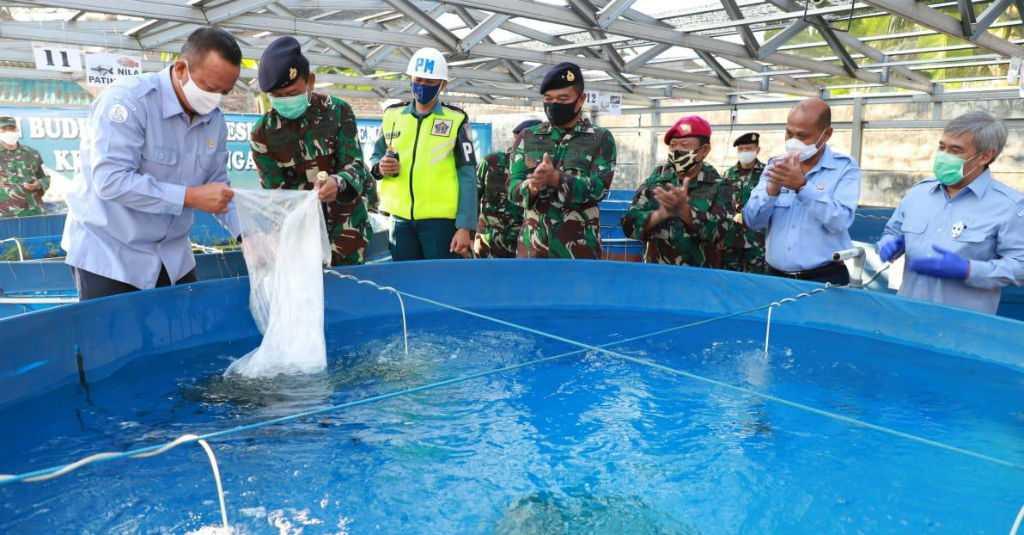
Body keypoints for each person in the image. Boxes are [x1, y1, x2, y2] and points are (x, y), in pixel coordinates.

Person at [62, 27, 241, 300]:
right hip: (111, 256)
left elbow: (218, 187)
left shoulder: (213, 120)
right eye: (209, 88)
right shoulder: (128, 102)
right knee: (118, 339)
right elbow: (110, 181)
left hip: (172, 258)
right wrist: (190, 196)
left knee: (183, 336)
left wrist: (246, 235)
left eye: (223, 92)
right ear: (181, 69)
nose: (215, 99)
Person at [877, 111, 1023, 314]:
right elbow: (893, 231)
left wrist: (968, 269)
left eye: (956, 150)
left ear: (985, 156)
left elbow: (1020, 267)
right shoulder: (918, 194)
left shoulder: (1009, 206)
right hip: (907, 316)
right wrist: (889, 242)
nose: (944, 156)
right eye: (942, 147)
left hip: (962, 328)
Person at [250, 36, 376, 266]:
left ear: (310, 82)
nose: (285, 101)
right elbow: (274, 196)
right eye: (277, 97)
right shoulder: (263, 134)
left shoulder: (338, 112)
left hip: (346, 235)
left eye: (292, 93)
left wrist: (338, 183)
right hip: (300, 241)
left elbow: (356, 166)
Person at [370, 47, 476, 260]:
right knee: (404, 283)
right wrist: (380, 167)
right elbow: (375, 157)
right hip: (399, 221)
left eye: (430, 82)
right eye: (418, 80)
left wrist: (465, 226)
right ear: (410, 79)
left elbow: (468, 176)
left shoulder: (456, 119)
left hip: (440, 223)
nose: (423, 86)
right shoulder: (392, 115)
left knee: (439, 284)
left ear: (442, 85)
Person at [742, 98, 860, 285]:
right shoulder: (775, 165)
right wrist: (771, 190)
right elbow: (753, 221)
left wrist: (802, 187)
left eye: (803, 136)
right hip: (775, 278)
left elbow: (840, 221)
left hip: (824, 278)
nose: (793, 142)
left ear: (826, 135)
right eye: (789, 134)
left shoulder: (844, 168)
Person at [508, 62, 617, 259]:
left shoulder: (600, 138)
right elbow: (512, 189)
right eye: (549, 99)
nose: (554, 104)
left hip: (578, 251)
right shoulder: (528, 136)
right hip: (533, 249)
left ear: (580, 99)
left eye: (563, 98)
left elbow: (599, 188)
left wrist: (558, 180)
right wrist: (532, 186)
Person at [622, 116, 734, 266]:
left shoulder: (719, 187)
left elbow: (724, 235)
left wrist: (686, 213)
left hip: (700, 278)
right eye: (673, 145)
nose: (676, 151)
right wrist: (659, 215)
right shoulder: (657, 180)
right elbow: (628, 225)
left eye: (684, 145)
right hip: (658, 275)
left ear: (703, 151)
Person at [474, 119, 541, 258]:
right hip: (488, 243)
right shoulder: (492, 162)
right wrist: (468, 232)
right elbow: (472, 196)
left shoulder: (542, 171)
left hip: (526, 244)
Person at [721, 132, 766, 273]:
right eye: (741, 149)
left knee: (757, 279)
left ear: (757, 150)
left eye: (748, 149)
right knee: (730, 278)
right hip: (732, 238)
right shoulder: (728, 174)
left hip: (757, 239)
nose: (745, 152)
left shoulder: (766, 173)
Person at [0, 116, 49, 218]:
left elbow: (45, 177)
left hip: (33, 212)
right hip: (5, 215)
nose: (9, 132)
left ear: (17, 130)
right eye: (4, 129)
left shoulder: (32, 153)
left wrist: (38, 184)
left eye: (12, 129)